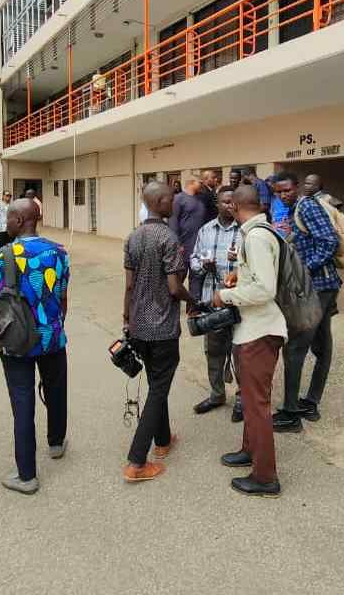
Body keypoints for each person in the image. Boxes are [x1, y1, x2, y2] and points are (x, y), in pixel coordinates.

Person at [0, 198, 70, 495]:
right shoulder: (59, 252)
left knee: (22, 403)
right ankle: (56, 444)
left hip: (17, 340)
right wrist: (55, 325)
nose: (5, 223)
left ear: (20, 221)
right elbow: (63, 295)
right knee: (56, 390)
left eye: (8, 218)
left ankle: (27, 475)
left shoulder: (4, 255)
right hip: (53, 335)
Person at [213, 184, 286, 497]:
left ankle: (265, 477)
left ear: (234, 207)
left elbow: (265, 289)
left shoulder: (256, 237)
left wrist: (225, 295)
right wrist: (238, 278)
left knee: (256, 404)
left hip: (260, 331)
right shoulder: (260, 232)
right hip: (253, 330)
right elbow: (257, 279)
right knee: (251, 397)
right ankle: (249, 450)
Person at [122, 182, 197, 482]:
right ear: (161, 201)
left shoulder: (133, 237)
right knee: (158, 390)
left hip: (139, 327)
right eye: (171, 199)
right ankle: (136, 462)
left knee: (156, 383)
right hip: (163, 328)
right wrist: (196, 302)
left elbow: (129, 285)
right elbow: (175, 287)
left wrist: (126, 319)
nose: (174, 203)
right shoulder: (168, 237)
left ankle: (163, 441)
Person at [271, 172, 341, 433]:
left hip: (318, 288)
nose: (282, 195)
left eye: (286, 190)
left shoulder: (306, 206)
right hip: (324, 287)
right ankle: (310, 403)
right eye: (278, 192)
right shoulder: (294, 210)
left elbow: (329, 241)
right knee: (322, 346)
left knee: (295, 347)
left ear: (296, 187)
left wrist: (304, 271)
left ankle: (291, 414)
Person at [189, 187, 242, 418]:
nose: (229, 205)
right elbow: (193, 259)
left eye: (233, 202)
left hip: (240, 302)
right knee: (213, 351)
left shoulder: (246, 231)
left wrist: (239, 261)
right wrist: (203, 266)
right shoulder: (205, 230)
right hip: (213, 301)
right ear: (217, 204)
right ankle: (217, 394)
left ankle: (243, 398)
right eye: (225, 202)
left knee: (241, 352)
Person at [170, 177, 208, 299]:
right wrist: (178, 243)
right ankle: (170, 303)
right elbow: (173, 221)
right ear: (191, 183)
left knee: (196, 278)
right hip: (183, 247)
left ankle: (193, 309)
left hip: (198, 247)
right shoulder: (178, 199)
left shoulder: (199, 199)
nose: (202, 184)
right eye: (200, 182)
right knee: (178, 279)